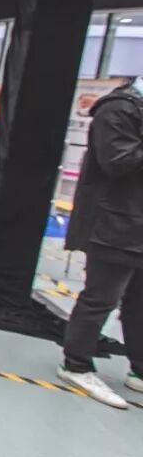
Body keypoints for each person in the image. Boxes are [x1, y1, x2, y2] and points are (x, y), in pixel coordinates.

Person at [60, 76, 143, 409]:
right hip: (113, 224)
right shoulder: (118, 109)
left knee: (139, 302)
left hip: (135, 224)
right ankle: (76, 364)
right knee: (100, 298)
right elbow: (117, 161)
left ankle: (139, 368)